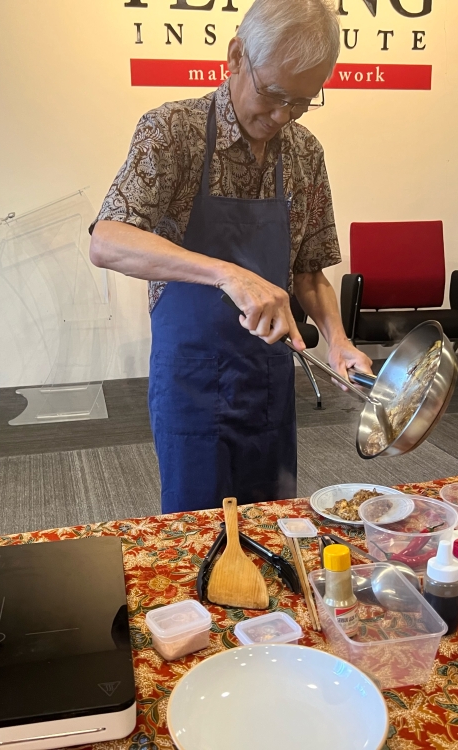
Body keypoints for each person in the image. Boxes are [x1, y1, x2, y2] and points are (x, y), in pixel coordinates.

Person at [90, 0, 372, 513]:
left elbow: (310, 270)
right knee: (200, 523)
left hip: (268, 377)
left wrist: (338, 340)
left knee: (270, 519)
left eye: (302, 102)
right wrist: (225, 273)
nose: (282, 116)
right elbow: (108, 240)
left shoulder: (305, 152)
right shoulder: (172, 131)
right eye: (274, 94)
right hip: (191, 378)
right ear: (236, 56)